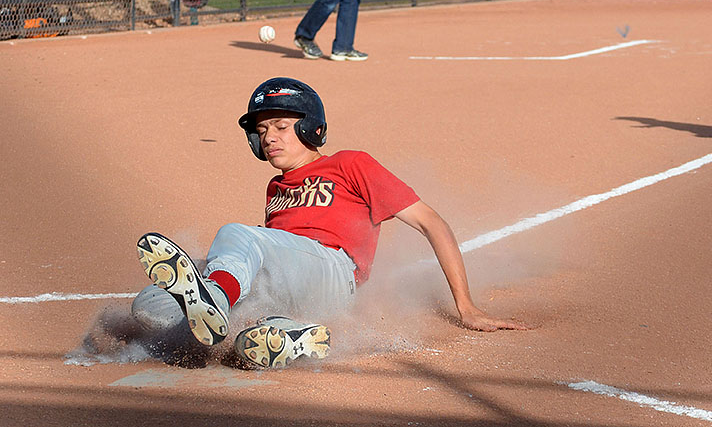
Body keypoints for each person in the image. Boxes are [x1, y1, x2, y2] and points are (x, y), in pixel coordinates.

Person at [133, 77, 528, 369]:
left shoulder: (349, 163)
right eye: (262, 131)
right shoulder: (275, 188)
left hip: (334, 272)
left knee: (235, 237)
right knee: (149, 304)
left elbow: (432, 224)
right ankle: (286, 335)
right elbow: (277, 253)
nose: (269, 137)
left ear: (310, 128)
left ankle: (217, 298)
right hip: (298, 283)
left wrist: (466, 306)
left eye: (281, 127)